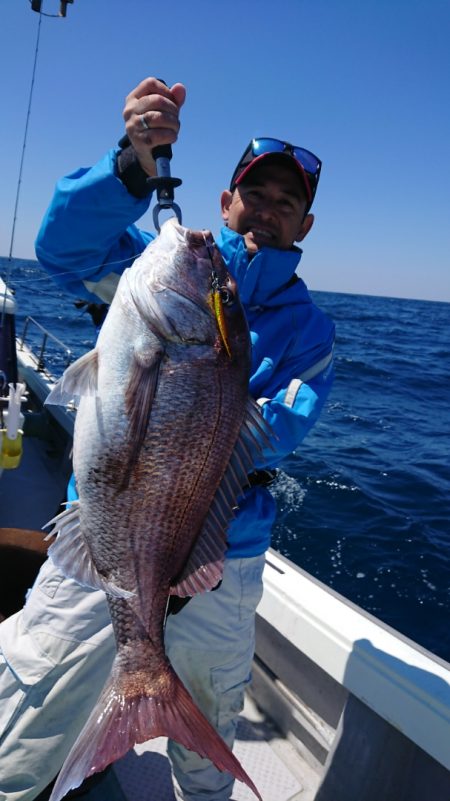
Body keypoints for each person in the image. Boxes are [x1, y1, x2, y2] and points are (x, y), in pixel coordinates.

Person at [0, 78, 335, 801]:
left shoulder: (310, 329)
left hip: (226, 556)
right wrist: (132, 163)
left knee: (209, 742)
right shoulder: (154, 270)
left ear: (304, 226)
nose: (268, 213)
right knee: (23, 718)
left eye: (288, 204)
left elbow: (286, 423)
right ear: (224, 203)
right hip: (102, 527)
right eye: (256, 196)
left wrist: (199, 413)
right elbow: (61, 247)